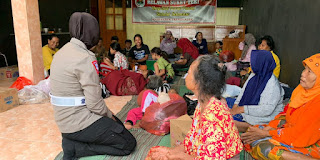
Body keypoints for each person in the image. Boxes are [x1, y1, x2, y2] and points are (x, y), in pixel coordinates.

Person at [50, 12, 136, 159]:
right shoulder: (85, 57)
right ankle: (77, 148)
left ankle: (71, 141)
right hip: (79, 123)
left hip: (64, 122)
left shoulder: (61, 52)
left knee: (117, 127)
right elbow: (95, 105)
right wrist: (111, 117)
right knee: (127, 143)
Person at [147, 55, 243, 159]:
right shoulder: (203, 103)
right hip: (204, 153)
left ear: (198, 83)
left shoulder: (213, 117)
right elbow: (192, 139)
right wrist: (170, 153)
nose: (186, 76)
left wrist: (178, 156)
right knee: (156, 153)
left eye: (189, 73)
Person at [241, 53, 320, 160]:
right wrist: (268, 129)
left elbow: (300, 134)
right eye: (305, 69)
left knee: (265, 149)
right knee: (252, 131)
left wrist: (266, 133)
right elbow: (285, 113)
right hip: (291, 130)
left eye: (309, 72)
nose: (303, 74)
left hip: (308, 141)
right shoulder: (300, 91)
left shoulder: (317, 102)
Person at [229, 50, 284, 132]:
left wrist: (241, 109)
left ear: (261, 63)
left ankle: (248, 126)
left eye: (253, 62)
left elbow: (266, 110)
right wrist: (235, 107)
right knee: (224, 103)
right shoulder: (254, 75)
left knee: (225, 120)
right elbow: (243, 92)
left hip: (262, 116)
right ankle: (240, 123)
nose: (250, 64)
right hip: (247, 107)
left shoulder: (272, 84)